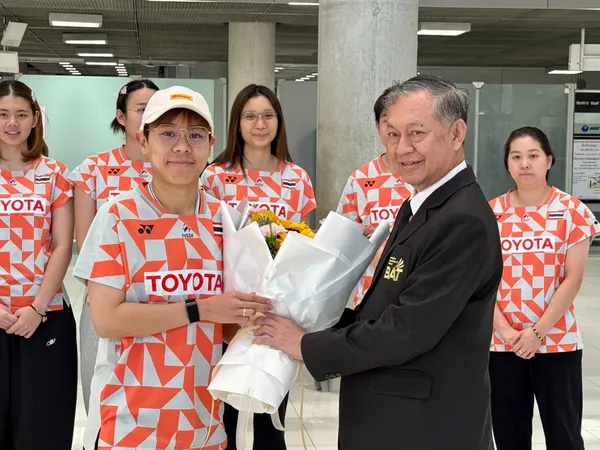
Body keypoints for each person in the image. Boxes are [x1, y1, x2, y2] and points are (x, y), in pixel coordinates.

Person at [253, 75, 504, 450]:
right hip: (396, 416)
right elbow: (385, 305)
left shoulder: (461, 219)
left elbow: (407, 330)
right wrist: (310, 319)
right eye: (392, 135)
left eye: (417, 133)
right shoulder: (421, 204)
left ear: (456, 133)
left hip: (424, 426)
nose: (402, 149)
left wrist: (306, 345)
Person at [73, 86, 272, 450]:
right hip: (129, 424)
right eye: (167, 133)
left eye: (195, 135)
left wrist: (263, 321)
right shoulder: (117, 216)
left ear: (210, 144)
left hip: (204, 424)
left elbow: (227, 326)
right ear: (143, 141)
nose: (182, 147)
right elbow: (106, 320)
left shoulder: (226, 220)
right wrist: (200, 309)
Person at [201, 84, 316, 450]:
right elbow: (208, 242)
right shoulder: (215, 176)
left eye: (268, 115)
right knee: (226, 412)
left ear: (279, 122)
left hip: (275, 308)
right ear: (237, 123)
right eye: (250, 116)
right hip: (230, 306)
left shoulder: (296, 178)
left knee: (270, 408)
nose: (260, 124)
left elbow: (303, 245)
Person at [489, 126, 600, 450]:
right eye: (516, 157)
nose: (524, 164)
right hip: (503, 344)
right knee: (508, 435)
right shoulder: (491, 213)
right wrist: (506, 331)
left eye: (533, 156)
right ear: (508, 164)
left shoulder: (572, 212)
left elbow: (573, 278)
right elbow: (482, 281)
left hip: (557, 342)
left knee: (564, 435)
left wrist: (537, 333)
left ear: (548, 160)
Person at [70, 78, 159, 415]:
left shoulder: (178, 168)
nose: (150, 116)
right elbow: (86, 247)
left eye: (156, 108)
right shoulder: (93, 170)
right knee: (102, 403)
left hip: (165, 302)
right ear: (121, 117)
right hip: (107, 303)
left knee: (158, 404)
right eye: (141, 109)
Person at [0, 80, 77, 450]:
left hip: (45, 315)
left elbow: (63, 246)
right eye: (2, 114)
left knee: (42, 428)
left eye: (20, 114)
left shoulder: (55, 173)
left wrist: (37, 307)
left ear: (34, 120)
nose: (12, 123)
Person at [336, 86, 413, 308]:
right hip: (370, 298)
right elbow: (342, 240)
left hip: (417, 294)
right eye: (389, 122)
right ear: (379, 127)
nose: (397, 130)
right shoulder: (360, 179)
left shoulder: (426, 176)